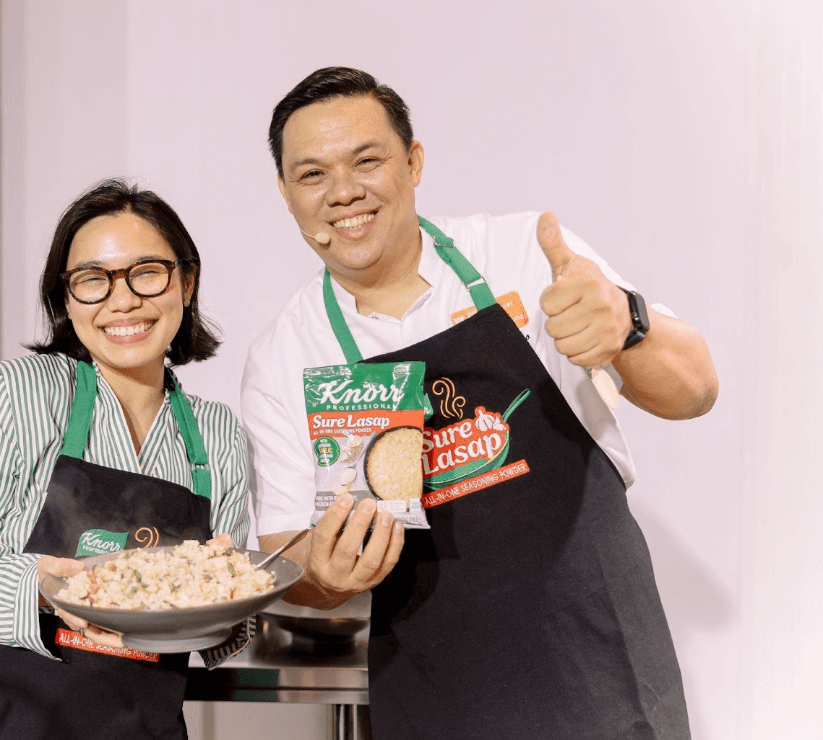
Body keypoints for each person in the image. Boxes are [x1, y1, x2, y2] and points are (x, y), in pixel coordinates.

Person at [243, 67, 718, 739]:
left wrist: (627, 323)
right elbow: (285, 561)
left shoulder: (524, 255)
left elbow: (697, 389)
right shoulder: (283, 356)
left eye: (367, 161)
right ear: (286, 193)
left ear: (413, 162)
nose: (343, 192)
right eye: (312, 174)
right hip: (434, 692)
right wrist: (324, 577)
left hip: (599, 669)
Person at [0, 179, 250, 740]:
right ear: (67, 300)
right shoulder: (13, 392)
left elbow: (223, 626)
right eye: (93, 280)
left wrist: (225, 593)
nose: (123, 301)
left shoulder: (217, 433)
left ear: (186, 282)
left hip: (135, 724)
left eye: (147, 272)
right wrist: (42, 587)